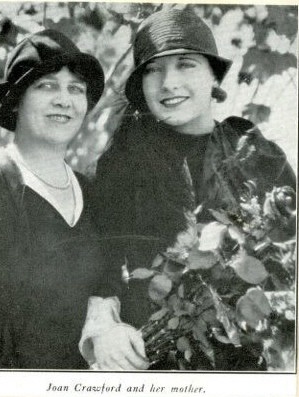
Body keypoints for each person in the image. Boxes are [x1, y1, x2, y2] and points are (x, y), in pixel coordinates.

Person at [79, 8, 296, 370]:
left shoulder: (255, 151)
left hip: (254, 362)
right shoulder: (122, 162)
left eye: (186, 65)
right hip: (154, 360)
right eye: (153, 70)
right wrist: (105, 331)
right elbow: (100, 265)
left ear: (213, 75)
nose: (168, 82)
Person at [0, 29, 108, 369]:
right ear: (16, 98)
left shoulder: (90, 193)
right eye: (47, 86)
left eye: (76, 89)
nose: (64, 99)